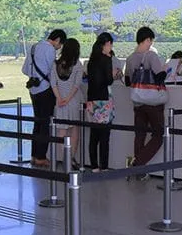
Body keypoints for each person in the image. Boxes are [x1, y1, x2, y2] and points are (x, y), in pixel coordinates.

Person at [124, 26, 166, 175]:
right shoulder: (151, 56)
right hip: (153, 103)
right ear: (147, 39)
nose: (151, 44)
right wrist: (165, 68)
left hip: (138, 102)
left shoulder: (129, 58)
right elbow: (160, 76)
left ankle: (138, 168)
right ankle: (138, 164)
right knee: (159, 135)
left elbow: (127, 81)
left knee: (140, 134)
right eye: (151, 41)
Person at [22, 29, 67, 168]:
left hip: (33, 89)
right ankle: (41, 157)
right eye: (61, 44)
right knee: (45, 124)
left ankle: (34, 155)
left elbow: (24, 69)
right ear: (57, 40)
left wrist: (35, 75)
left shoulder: (34, 47)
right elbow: (52, 71)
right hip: (46, 89)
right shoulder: (50, 50)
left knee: (37, 123)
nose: (59, 48)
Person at [86, 32, 120, 172]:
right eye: (110, 44)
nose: (111, 47)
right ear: (105, 44)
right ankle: (104, 166)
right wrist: (112, 74)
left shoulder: (91, 60)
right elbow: (108, 80)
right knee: (105, 136)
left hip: (92, 99)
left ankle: (94, 165)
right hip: (104, 100)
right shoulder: (106, 59)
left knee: (94, 135)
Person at [50, 38, 84, 169]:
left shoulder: (55, 64)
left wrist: (59, 98)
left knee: (62, 131)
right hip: (73, 101)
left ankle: (64, 158)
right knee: (74, 130)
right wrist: (68, 98)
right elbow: (76, 85)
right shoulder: (77, 65)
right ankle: (71, 158)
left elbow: (53, 83)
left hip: (60, 102)